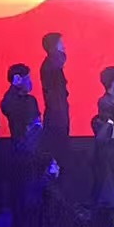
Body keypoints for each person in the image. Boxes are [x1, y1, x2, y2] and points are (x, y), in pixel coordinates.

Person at [1, 64, 43, 227]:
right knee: (22, 222)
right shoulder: (10, 101)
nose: (30, 82)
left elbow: (37, 124)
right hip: (20, 163)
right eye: (26, 78)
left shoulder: (31, 101)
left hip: (34, 162)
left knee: (33, 223)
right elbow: (9, 110)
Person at [40, 32, 70, 163]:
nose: (64, 47)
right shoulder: (51, 66)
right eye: (60, 44)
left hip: (58, 112)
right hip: (57, 114)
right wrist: (61, 114)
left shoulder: (51, 65)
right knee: (59, 148)